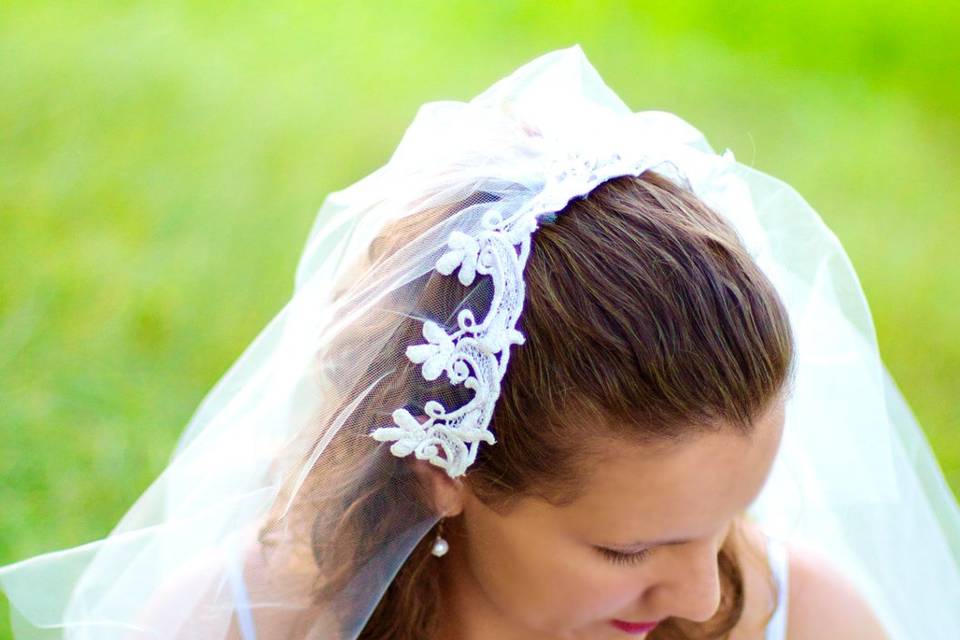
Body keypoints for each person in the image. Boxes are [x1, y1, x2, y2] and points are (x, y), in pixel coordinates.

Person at [2, 44, 958, 640]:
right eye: (630, 551)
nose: (706, 598)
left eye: (726, 524)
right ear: (441, 472)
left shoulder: (809, 623)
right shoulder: (240, 625)